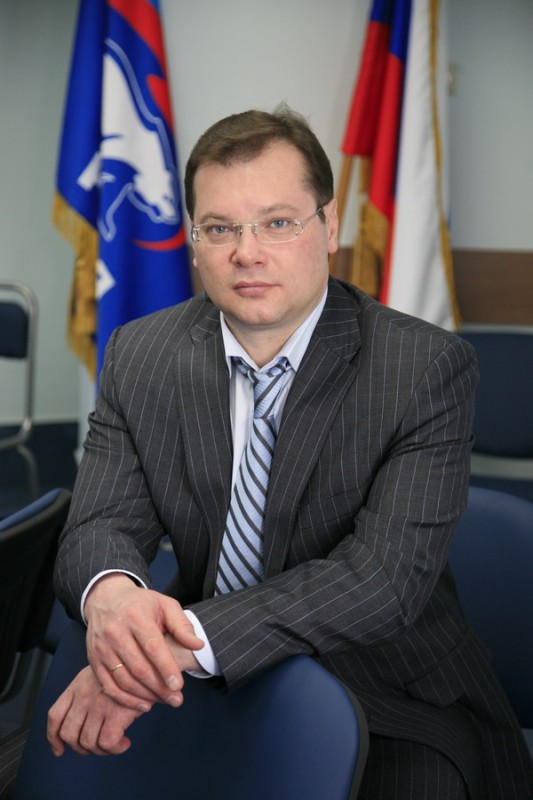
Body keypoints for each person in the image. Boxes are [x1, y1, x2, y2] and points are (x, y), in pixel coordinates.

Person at [47, 106, 532, 799]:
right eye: (220, 228)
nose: (247, 253)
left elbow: (381, 580)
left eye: (277, 222)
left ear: (328, 227)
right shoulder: (141, 353)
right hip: (192, 688)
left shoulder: (422, 367)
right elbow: (98, 525)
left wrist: (170, 649)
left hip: (383, 694)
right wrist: (115, 605)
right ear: (194, 242)